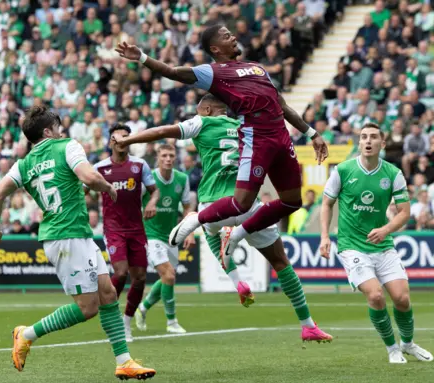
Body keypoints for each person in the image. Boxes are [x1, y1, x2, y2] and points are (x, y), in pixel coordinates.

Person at [113, 94, 332, 342]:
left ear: (206, 109)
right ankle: (307, 325)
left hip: (213, 205)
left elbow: (165, 130)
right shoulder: (244, 127)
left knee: (213, 234)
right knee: (281, 262)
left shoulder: (201, 122)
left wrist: (129, 139)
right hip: (247, 203)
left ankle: (230, 269)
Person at [114, 24, 329, 267]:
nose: (234, 36)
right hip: (256, 137)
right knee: (241, 203)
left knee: (292, 202)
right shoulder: (213, 72)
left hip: (281, 136)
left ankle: (236, 236)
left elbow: (283, 105)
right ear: (215, 48)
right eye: (227, 36)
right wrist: (142, 57)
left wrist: (312, 133)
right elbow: (173, 72)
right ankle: (197, 218)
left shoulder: (257, 68)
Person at [0, 106, 155, 379]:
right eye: (59, 126)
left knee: (108, 294)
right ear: (48, 131)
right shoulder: (67, 146)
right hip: (66, 236)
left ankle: (124, 361)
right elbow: (88, 177)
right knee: (88, 308)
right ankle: (26, 334)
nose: (62, 131)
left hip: (74, 235)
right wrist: (107, 186)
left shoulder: (24, 163)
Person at [319, 123, 433, 363]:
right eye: (363, 137)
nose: (368, 141)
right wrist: (325, 237)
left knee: (402, 299)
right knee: (375, 295)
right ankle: (392, 348)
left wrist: (385, 230)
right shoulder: (343, 170)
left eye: (373, 137)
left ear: (382, 142)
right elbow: (327, 203)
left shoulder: (393, 173)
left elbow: (404, 212)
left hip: (383, 245)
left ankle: (408, 344)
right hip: (352, 245)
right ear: (359, 143)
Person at [93, 124, 159, 342]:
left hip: (137, 229)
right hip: (113, 229)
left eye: (126, 137)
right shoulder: (100, 168)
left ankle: (127, 321)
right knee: (120, 272)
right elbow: (82, 189)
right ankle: (109, 312)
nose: (121, 140)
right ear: (111, 142)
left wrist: (152, 203)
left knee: (139, 278)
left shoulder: (140, 166)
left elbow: (154, 190)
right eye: (117, 137)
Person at [135, 144, 193, 334]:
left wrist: (190, 231)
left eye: (171, 155)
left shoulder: (182, 179)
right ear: (158, 158)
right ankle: (171, 322)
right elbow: (135, 204)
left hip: (171, 236)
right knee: (169, 276)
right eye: (164, 156)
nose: (168, 159)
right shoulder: (148, 178)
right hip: (151, 236)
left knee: (167, 278)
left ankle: (142, 308)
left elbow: (186, 208)